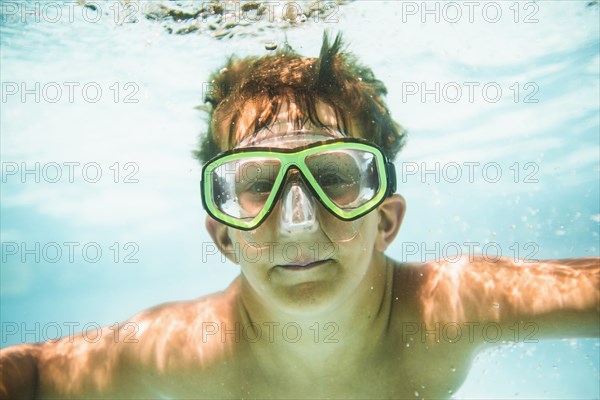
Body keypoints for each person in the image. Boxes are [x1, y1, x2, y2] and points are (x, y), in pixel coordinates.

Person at [1, 32, 598, 399]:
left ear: (386, 220)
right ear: (223, 236)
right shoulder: (185, 349)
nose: (297, 220)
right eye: (259, 183)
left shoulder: (453, 306)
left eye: (334, 177)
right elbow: (30, 375)